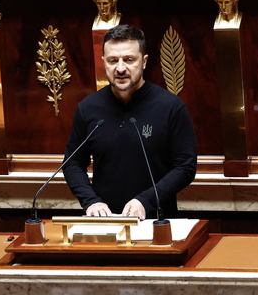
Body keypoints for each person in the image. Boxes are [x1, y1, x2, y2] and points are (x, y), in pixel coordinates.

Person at [63, 24, 197, 220]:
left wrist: (146, 200)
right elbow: (73, 163)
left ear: (144, 62)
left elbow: (185, 167)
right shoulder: (88, 108)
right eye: (112, 60)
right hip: (104, 221)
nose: (120, 68)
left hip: (156, 221)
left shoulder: (171, 107)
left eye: (129, 60)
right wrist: (90, 201)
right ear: (103, 63)